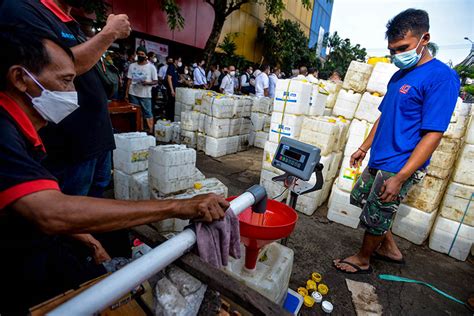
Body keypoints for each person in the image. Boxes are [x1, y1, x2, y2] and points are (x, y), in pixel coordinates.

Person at [0, 26, 229, 315]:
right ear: (21, 78)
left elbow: (32, 207)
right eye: (66, 81)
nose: (73, 94)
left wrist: (87, 237)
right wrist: (178, 207)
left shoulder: (23, 132)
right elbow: (51, 212)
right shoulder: (3, 133)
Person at [0, 0, 133, 262]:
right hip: (70, 145)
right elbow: (62, 66)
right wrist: (108, 34)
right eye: (67, 82)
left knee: (95, 213)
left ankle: (93, 261)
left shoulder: (69, 20)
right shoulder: (23, 9)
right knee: (68, 223)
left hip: (97, 139)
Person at [333, 9, 460, 274]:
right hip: (379, 156)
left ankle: (363, 259)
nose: (396, 55)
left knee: (377, 212)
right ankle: (389, 248)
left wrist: (401, 177)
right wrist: (363, 147)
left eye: (402, 48)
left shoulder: (441, 77)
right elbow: (384, 115)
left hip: (400, 162)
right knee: (362, 199)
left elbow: (433, 133)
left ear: (424, 38)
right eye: (392, 50)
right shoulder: (399, 75)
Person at [125, 46, 158, 134]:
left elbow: (155, 81)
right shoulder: (132, 66)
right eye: (138, 54)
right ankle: (139, 130)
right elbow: (129, 80)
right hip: (133, 93)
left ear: (146, 55)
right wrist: (126, 93)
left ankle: (151, 131)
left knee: (148, 113)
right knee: (136, 112)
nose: (140, 56)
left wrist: (147, 83)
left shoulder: (151, 67)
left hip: (145, 94)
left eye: (142, 54)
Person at [166, 56, 182, 121]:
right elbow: (169, 78)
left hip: (176, 89)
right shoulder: (171, 67)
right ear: (175, 60)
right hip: (171, 90)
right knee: (170, 104)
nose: (180, 62)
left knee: (173, 105)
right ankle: (169, 119)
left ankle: (171, 119)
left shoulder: (176, 68)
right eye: (179, 60)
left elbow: (175, 79)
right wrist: (172, 90)